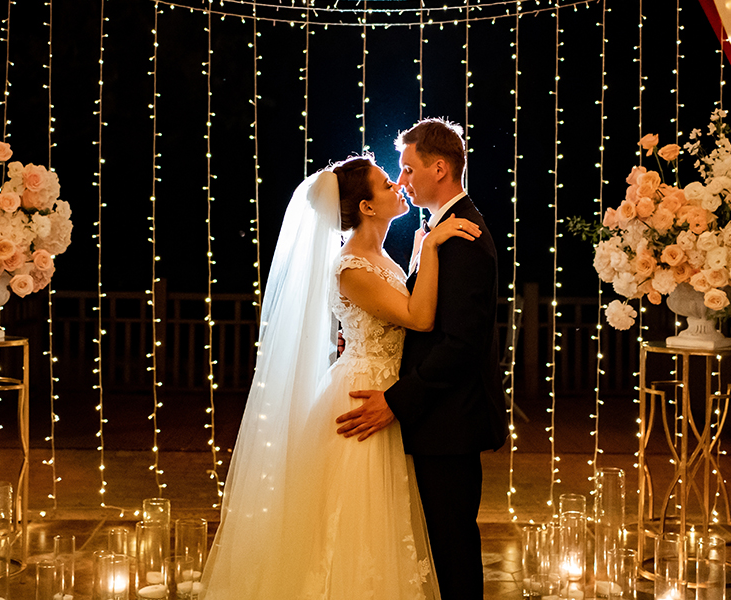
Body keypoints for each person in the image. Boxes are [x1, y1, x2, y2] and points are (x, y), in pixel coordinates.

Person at [199, 154, 481, 599]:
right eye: (388, 183)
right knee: (355, 527)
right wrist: (429, 248)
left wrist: (416, 259)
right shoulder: (351, 267)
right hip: (363, 396)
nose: (399, 187)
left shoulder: (380, 256)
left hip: (392, 394)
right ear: (366, 207)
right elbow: (420, 319)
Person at [336, 118, 509, 598]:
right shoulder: (435, 233)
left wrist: (395, 400)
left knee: (451, 550)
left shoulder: (464, 236)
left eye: (409, 170)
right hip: (429, 419)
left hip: (449, 421)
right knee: (431, 548)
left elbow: (460, 346)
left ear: (439, 168)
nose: (404, 181)